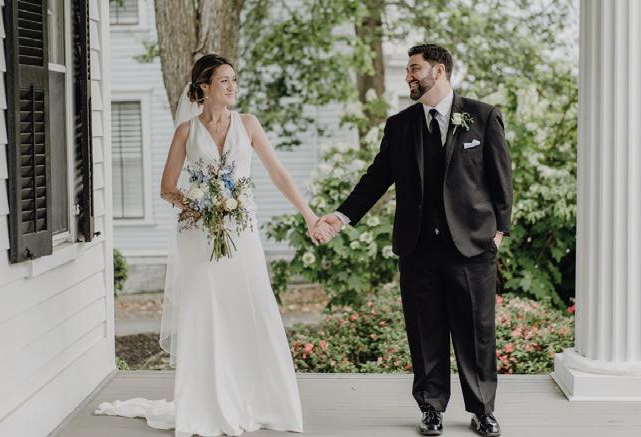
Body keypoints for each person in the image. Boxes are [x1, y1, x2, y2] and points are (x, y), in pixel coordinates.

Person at [94, 54, 334, 436]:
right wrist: (201, 206)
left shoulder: (248, 124)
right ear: (204, 87)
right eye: (224, 80)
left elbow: (278, 173)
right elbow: (167, 187)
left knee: (252, 308)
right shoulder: (186, 132)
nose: (232, 86)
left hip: (243, 235)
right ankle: (205, 404)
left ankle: (260, 401)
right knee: (206, 313)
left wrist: (309, 215)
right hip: (199, 237)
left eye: (234, 79)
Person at [314, 44, 513, 437]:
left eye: (414, 69)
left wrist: (499, 232)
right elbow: (376, 179)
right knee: (425, 332)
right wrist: (340, 217)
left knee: (476, 333)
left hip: (472, 247)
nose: (408, 76)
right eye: (407, 70)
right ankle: (431, 407)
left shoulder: (482, 116)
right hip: (418, 248)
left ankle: (482, 410)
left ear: (438, 71)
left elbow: (501, 178)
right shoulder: (400, 125)